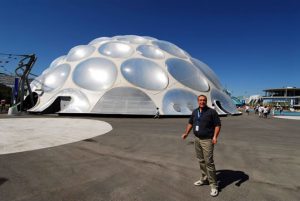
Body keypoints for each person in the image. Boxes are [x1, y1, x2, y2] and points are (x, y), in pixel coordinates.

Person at [182, 95, 221, 197]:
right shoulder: (195, 112)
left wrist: (215, 137)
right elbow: (190, 123)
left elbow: (217, 125)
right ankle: (204, 179)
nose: (202, 102)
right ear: (197, 101)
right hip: (197, 139)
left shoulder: (212, 112)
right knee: (201, 160)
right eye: (200, 100)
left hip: (207, 140)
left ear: (206, 101)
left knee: (209, 162)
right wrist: (186, 133)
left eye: (204, 100)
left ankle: (213, 185)